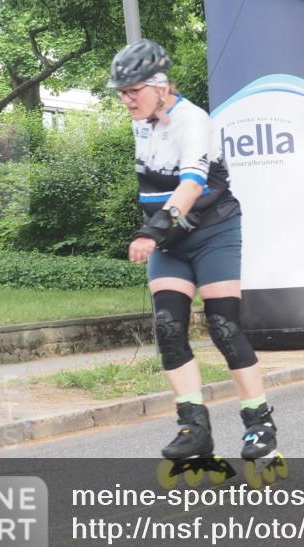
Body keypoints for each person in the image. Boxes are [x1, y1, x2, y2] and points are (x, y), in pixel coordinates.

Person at [110, 39, 281, 485]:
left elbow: (189, 186)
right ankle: (194, 428)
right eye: (121, 93)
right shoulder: (143, 121)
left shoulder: (194, 121)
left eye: (133, 91)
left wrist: (151, 231)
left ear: (160, 85)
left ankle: (258, 423)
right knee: (168, 328)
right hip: (171, 241)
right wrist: (160, 230)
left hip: (213, 233)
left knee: (224, 326)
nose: (126, 100)